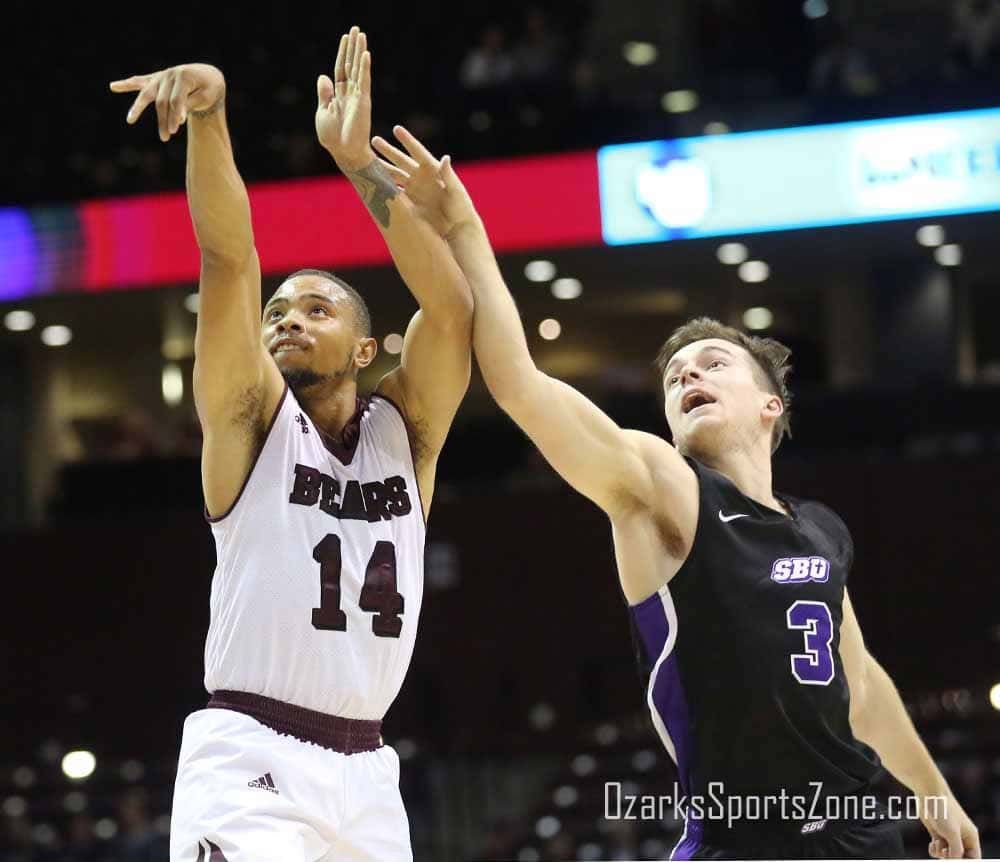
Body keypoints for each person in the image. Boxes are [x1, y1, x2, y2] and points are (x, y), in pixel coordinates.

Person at [369, 128, 983, 860]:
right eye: (674, 377)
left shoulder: (820, 530)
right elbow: (518, 383)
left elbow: (863, 682)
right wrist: (464, 227)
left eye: (714, 363)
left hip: (861, 836)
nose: (689, 376)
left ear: (770, 406)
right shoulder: (665, 489)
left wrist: (932, 793)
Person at [109, 25, 472, 861]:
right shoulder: (248, 420)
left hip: (369, 772)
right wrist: (211, 115)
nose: (287, 321)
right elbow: (228, 261)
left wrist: (358, 165)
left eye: (317, 311)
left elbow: (451, 311)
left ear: (366, 349)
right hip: (251, 753)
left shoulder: (405, 433)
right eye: (281, 312)